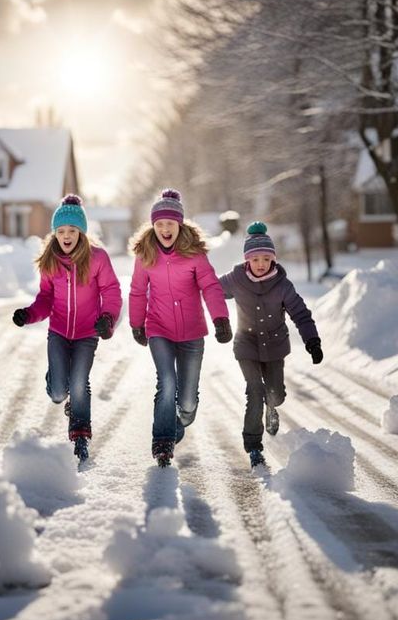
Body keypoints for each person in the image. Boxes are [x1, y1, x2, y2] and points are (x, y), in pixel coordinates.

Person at [11, 195, 122, 464]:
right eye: (61, 231)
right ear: (55, 234)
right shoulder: (50, 261)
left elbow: (112, 291)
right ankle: (56, 381)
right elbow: (46, 299)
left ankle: (80, 436)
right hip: (59, 332)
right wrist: (28, 315)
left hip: (87, 333)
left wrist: (107, 318)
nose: (67, 236)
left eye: (72, 231)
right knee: (60, 392)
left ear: (81, 233)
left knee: (80, 384)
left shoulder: (97, 258)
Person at [127, 187, 231, 466]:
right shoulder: (145, 254)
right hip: (158, 328)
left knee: (187, 403)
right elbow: (137, 291)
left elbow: (210, 286)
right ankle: (162, 442)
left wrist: (220, 319)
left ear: (179, 224)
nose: (164, 229)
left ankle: (178, 423)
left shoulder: (195, 254)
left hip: (192, 333)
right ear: (153, 226)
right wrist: (137, 323)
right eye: (159, 224)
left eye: (169, 224)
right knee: (166, 381)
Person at [217, 221, 322, 468]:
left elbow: (300, 313)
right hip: (246, 344)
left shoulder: (283, 286)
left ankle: (272, 408)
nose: (261, 264)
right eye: (255, 259)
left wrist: (312, 340)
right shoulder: (236, 279)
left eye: (266, 258)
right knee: (255, 390)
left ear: (273, 259)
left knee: (276, 393)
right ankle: (254, 446)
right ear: (247, 261)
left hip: (275, 346)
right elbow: (210, 288)